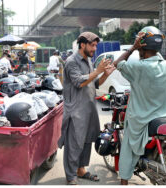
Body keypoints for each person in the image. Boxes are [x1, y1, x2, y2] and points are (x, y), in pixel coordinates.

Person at [112, 26, 166, 185]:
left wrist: (133, 47)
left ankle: (124, 181)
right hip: (164, 117)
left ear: (142, 45)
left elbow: (117, 63)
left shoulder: (139, 67)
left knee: (127, 149)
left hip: (142, 119)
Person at [58, 32, 115, 185]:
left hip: (89, 108)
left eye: (96, 45)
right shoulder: (71, 62)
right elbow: (78, 82)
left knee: (86, 141)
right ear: (82, 44)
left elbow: (94, 83)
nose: (94, 48)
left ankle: (81, 169)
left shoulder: (88, 60)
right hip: (76, 110)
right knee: (74, 144)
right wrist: (98, 71)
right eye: (92, 45)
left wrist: (105, 74)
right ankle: (70, 176)